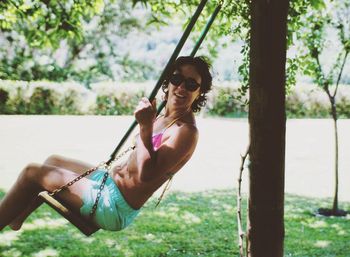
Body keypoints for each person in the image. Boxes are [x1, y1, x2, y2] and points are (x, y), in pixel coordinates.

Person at [0, 56, 213, 232]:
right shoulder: (161, 116)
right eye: (177, 78)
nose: (182, 87)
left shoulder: (185, 132)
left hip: (114, 206)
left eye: (191, 83)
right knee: (52, 160)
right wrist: (149, 123)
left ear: (200, 91)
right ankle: (17, 218)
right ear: (168, 82)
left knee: (32, 172)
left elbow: (146, 175)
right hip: (109, 181)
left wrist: (145, 127)